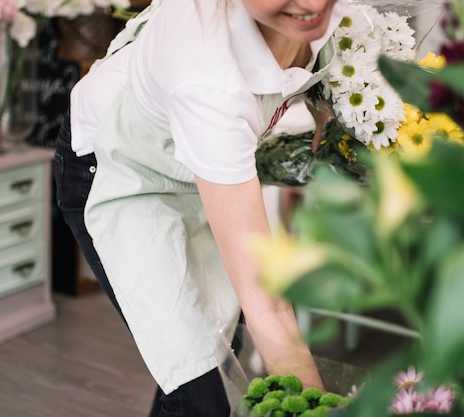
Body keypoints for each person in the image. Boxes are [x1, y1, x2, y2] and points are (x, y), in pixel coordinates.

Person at [55, 0, 343, 415]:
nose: (314, 3)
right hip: (117, 171)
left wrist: (324, 107)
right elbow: (269, 306)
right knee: (202, 382)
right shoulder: (207, 75)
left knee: (224, 343)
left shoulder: (307, 12)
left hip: (193, 162)